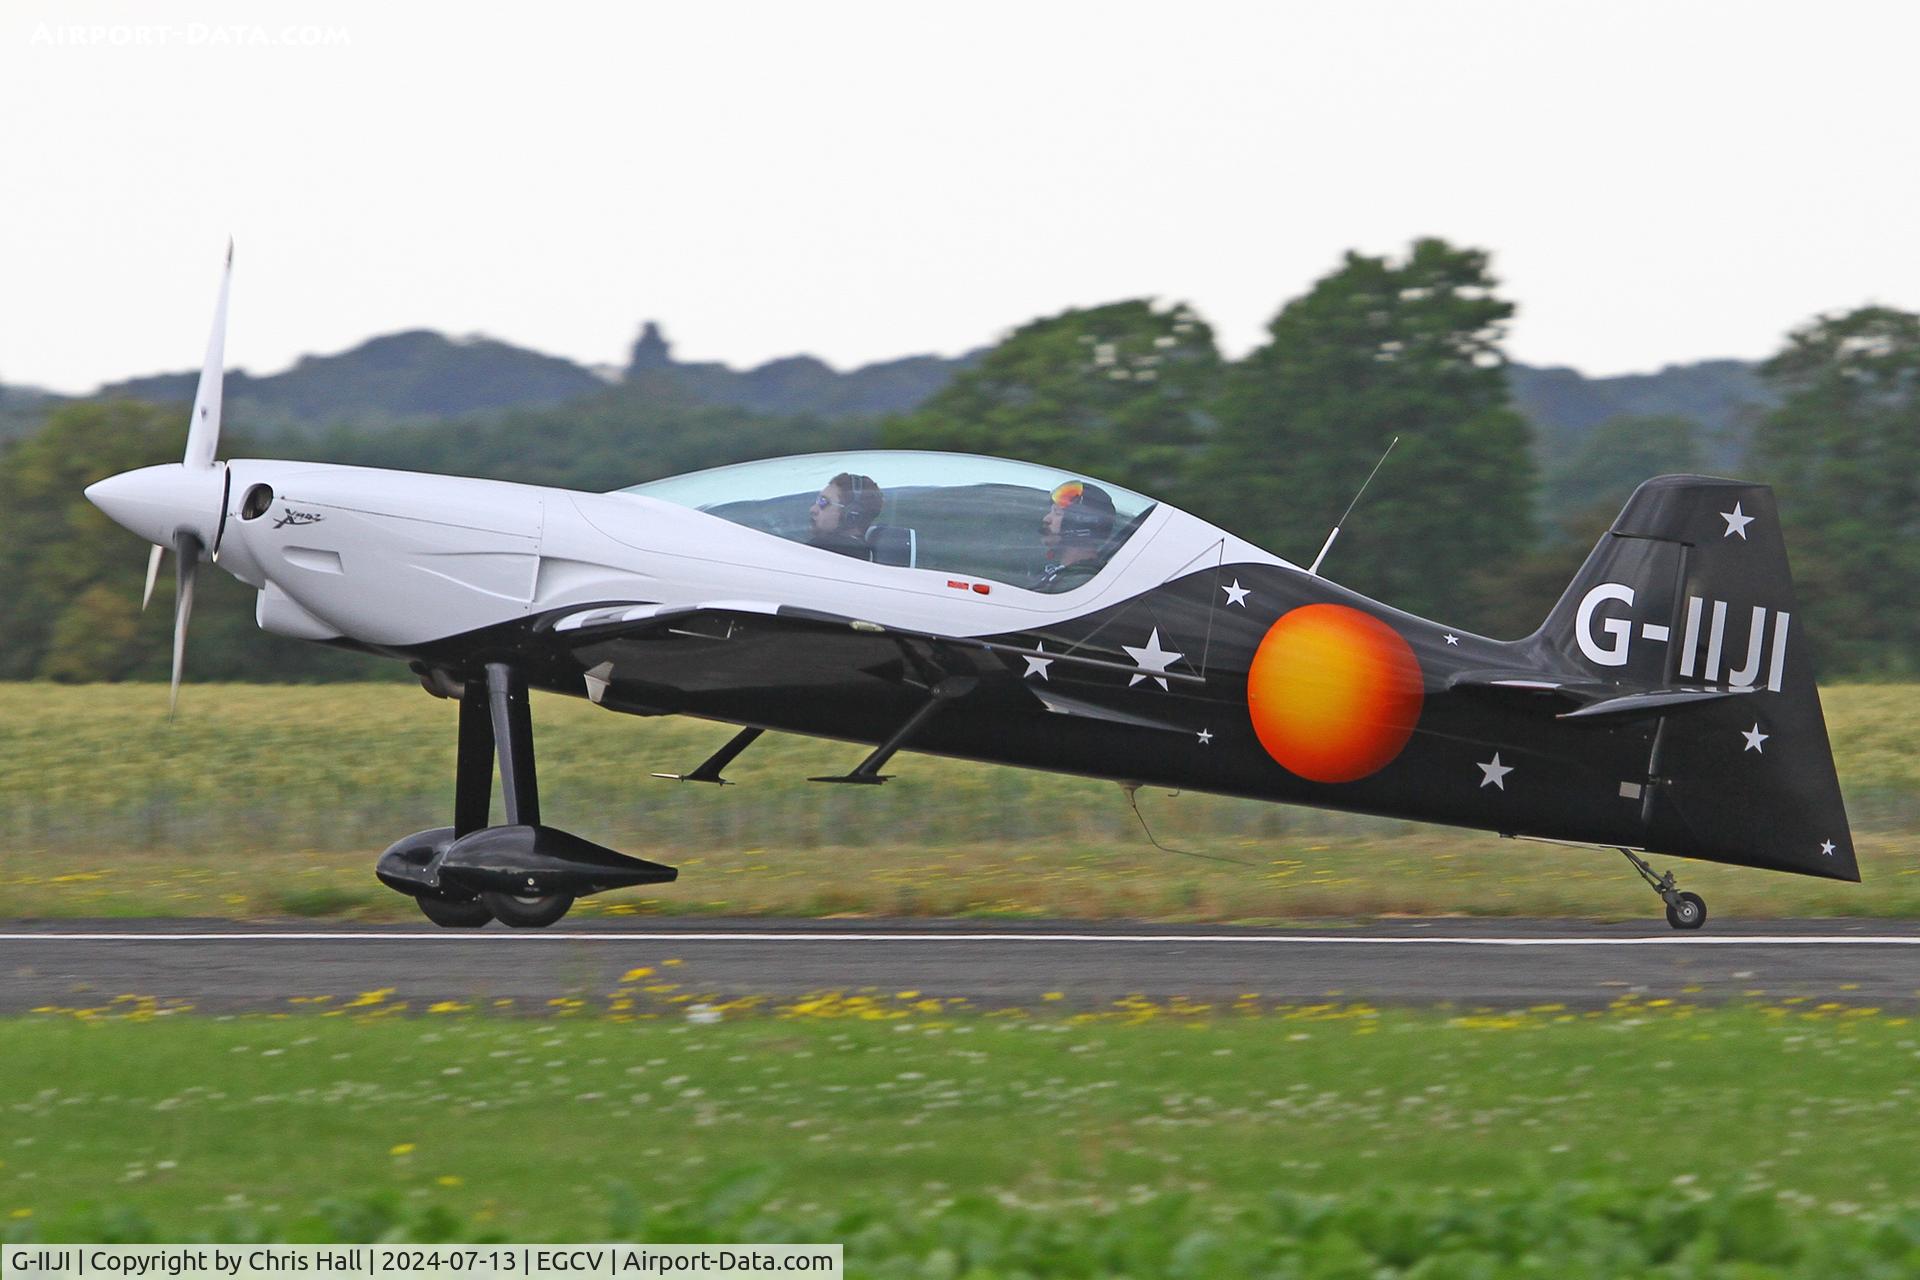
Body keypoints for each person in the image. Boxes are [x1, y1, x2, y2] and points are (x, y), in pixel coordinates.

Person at [1031, 480, 1115, 591]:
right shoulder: (1062, 575)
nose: (1046, 519)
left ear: (1080, 523)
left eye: (1057, 513)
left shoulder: (1077, 584)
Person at [806, 472, 884, 559]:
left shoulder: (820, 551)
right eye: (818, 500)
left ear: (852, 516)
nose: (813, 509)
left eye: (823, 502)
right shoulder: (865, 554)